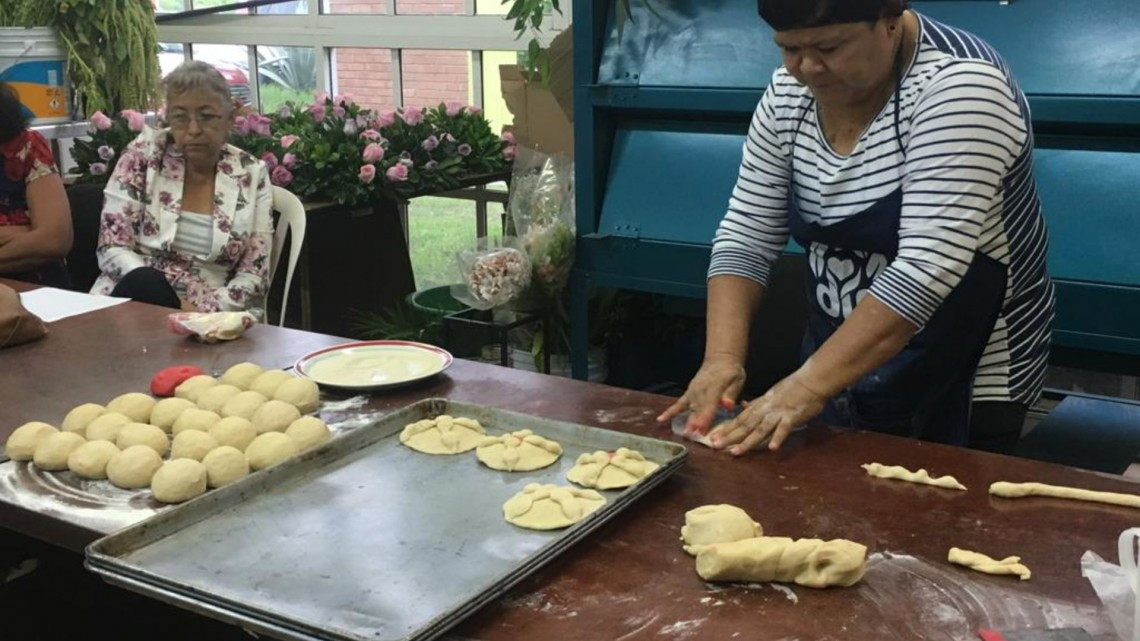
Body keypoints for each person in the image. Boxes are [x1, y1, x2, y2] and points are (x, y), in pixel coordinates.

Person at [659, 0, 1054, 455]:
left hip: (965, 366)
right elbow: (747, 232)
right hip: (842, 357)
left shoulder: (961, 86)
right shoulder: (790, 91)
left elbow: (927, 269)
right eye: (788, 48)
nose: (806, 68)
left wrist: (804, 388)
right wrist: (721, 360)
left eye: (829, 46)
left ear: (889, 21)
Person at [90, 61, 273, 312]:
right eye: (180, 118)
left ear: (230, 119)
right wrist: (170, 305)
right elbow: (112, 248)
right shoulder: (142, 156)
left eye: (207, 117)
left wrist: (199, 312)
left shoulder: (252, 173)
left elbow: (254, 275)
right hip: (135, 302)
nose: (193, 130)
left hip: (210, 313)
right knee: (146, 282)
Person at [0, 82, 74, 288]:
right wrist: (24, 232)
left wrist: (37, 237)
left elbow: (54, 239)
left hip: (36, 288)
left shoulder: (27, 146)